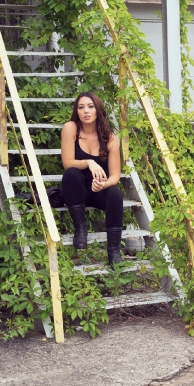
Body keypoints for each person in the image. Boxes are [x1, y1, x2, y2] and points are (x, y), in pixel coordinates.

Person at [61, 91, 123, 266]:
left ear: (98, 111)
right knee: (71, 173)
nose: (86, 111)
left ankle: (114, 251)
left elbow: (115, 176)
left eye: (90, 107)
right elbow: (67, 163)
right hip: (77, 191)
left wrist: (104, 185)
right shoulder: (71, 128)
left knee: (115, 194)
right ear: (77, 111)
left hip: (98, 191)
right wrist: (88, 162)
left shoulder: (110, 139)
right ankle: (81, 229)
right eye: (81, 107)